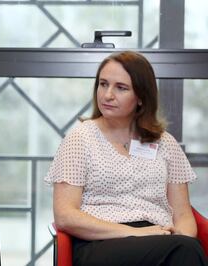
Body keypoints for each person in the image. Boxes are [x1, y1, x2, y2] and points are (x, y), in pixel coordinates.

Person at [45, 51, 208, 265]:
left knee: (186, 248)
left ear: (141, 97)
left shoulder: (165, 142)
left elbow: (184, 216)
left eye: (120, 88)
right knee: (184, 251)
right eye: (103, 84)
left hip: (161, 241)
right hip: (102, 241)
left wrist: (178, 237)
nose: (107, 95)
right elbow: (65, 216)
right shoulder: (81, 137)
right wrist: (135, 233)